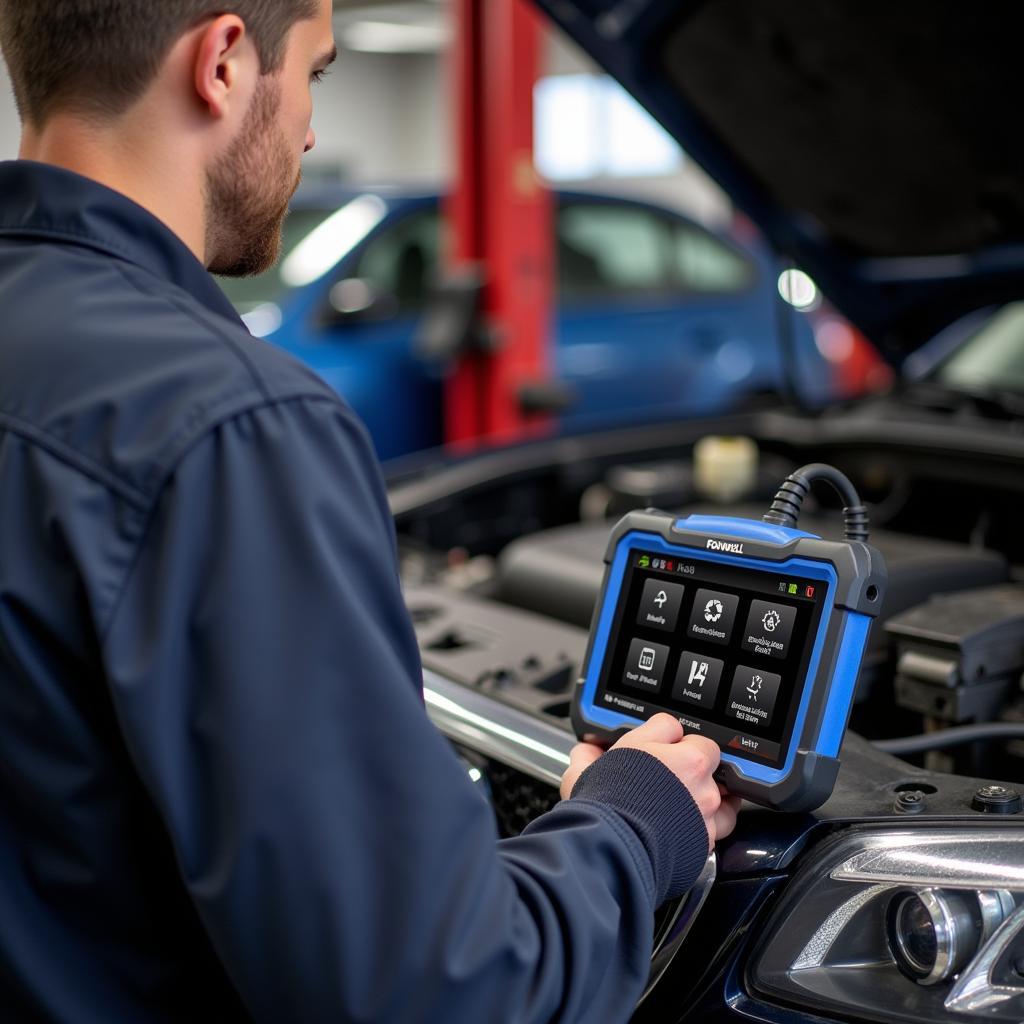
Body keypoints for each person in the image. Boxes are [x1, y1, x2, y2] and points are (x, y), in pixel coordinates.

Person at [0, 1, 740, 1020]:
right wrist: (637, 819)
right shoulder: (230, 428)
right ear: (221, 63)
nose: (307, 126)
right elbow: (433, 991)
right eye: (316, 72)